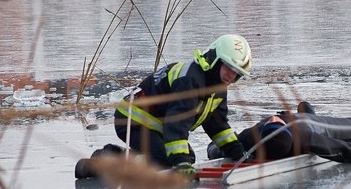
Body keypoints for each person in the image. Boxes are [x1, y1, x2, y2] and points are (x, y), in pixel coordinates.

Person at [75, 34, 251, 180]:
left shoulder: (217, 86)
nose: (231, 75)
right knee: (167, 161)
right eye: (228, 67)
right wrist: (179, 161)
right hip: (133, 121)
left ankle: (121, 156)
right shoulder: (191, 80)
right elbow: (177, 123)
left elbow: (217, 125)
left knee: (186, 157)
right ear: (215, 60)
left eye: (237, 72)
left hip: (155, 126)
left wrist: (237, 152)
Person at [207, 101, 351, 164]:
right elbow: (346, 151)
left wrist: (214, 150)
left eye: (272, 120)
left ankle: (306, 112)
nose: (271, 117)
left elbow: (217, 146)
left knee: (300, 110)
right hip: (314, 125)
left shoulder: (252, 135)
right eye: (276, 121)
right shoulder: (305, 139)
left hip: (300, 120)